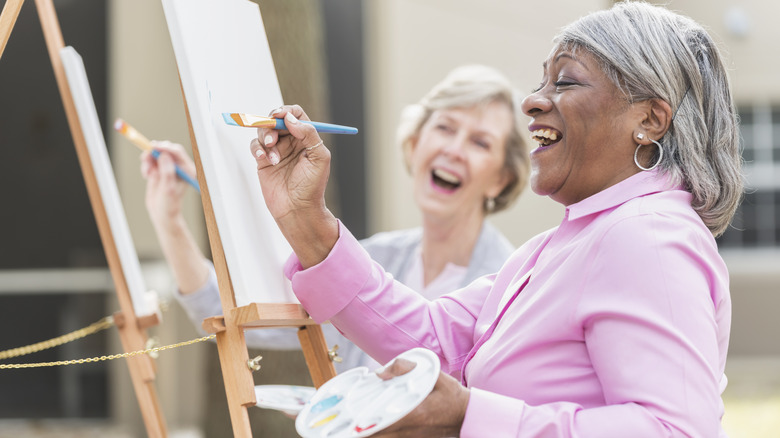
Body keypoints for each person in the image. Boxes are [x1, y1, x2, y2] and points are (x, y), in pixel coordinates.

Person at [250, 1, 743, 436]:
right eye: (541, 80)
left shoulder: (646, 236)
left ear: (649, 119)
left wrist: (468, 417)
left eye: (566, 81)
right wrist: (304, 217)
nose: (532, 101)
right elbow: (436, 341)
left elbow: (675, 431)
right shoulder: (561, 244)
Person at [140, 65, 529, 373]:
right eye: (444, 127)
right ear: (415, 143)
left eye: (480, 142)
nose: (454, 150)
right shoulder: (372, 259)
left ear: (502, 177)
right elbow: (230, 312)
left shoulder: (511, 288)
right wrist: (169, 221)